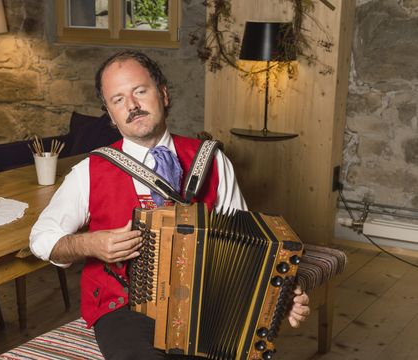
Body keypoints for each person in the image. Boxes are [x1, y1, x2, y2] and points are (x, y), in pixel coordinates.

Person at [30, 50, 310, 359]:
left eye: (140, 91)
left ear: (162, 93)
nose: (132, 106)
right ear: (110, 114)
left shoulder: (213, 160)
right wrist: (90, 243)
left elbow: (250, 249)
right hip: (124, 307)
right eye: (118, 100)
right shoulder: (90, 171)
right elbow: (42, 239)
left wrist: (279, 295)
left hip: (206, 303)